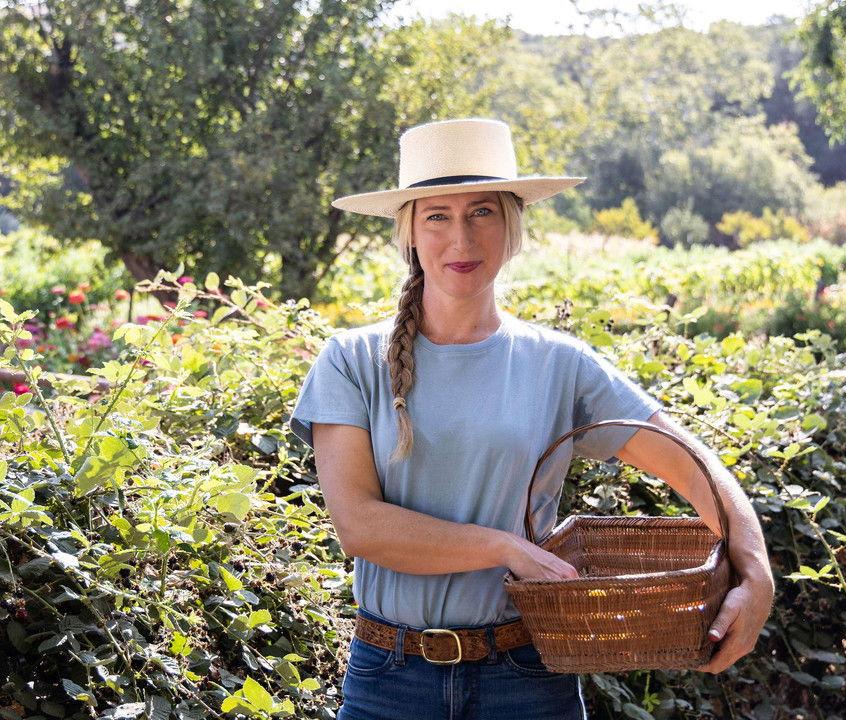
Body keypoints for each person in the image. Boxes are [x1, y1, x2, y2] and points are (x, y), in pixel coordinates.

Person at [287, 118, 775, 719]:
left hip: (527, 678)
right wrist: (506, 548)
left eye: (483, 212)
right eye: (437, 214)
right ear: (409, 229)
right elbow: (361, 527)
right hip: (391, 679)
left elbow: (687, 459)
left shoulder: (558, 363)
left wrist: (756, 572)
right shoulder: (351, 361)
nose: (461, 238)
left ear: (512, 226)